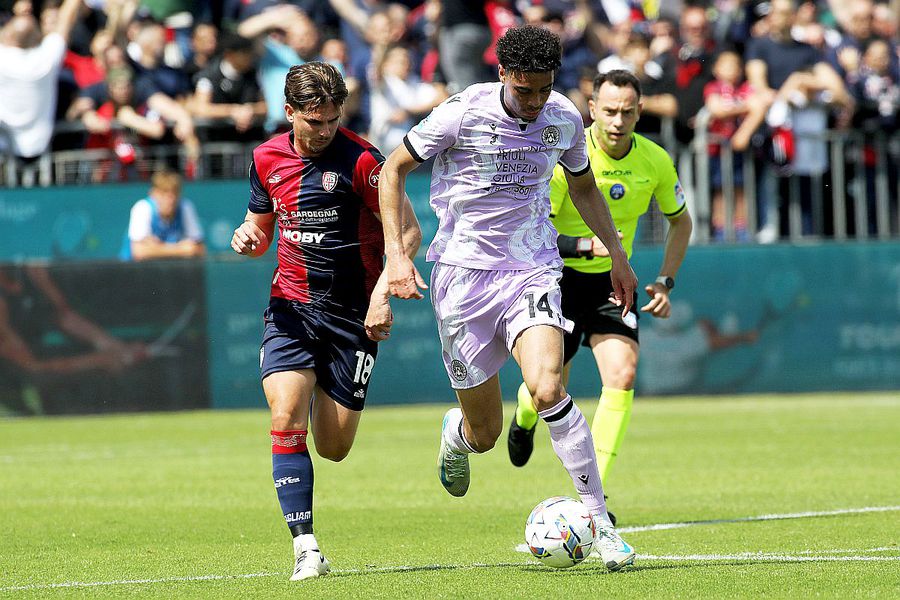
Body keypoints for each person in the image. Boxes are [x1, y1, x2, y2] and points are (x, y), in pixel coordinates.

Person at [379, 25, 638, 572]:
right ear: (501, 74)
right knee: (487, 433)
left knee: (547, 388)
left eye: (544, 89)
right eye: (525, 91)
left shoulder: (565, 117)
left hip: (533, 268)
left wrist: (618, 255)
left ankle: (600, 520)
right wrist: (397, 258)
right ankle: (459, 431)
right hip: (461, 279)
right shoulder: (460, 113)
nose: (535, 102)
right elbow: (392, 170)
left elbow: (584, 185)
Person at [229, 62, 422, 581]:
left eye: (333, 119)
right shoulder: (264, 157)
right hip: (290, 308)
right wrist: (247, 236)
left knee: (333, 448)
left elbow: (408, 233)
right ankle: (306, 547)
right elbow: (261, 225)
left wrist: (383, 295)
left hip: (352, 316)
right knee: (285, 412)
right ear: (290, 112)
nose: (325, 130)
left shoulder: (362, 160)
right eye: (315, 121)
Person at [506, 70, 693, 521]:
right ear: (592, 110)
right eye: (609, 110)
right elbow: (538, 225)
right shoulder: (568, 154)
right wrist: (585, 245)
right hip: (558, 279)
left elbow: (681, 222)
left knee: (622, 375)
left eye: (628, 112)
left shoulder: (655, 160)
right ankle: (525, 415)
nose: (618, 120)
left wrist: (665, 280)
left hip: (613, 283)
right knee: (548, 386)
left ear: (639, 112)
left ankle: (596, 500)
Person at [122, 170, 206, 261]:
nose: (170, 200)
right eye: (164, 193)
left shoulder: (185, 207)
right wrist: (181, 248)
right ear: (153, 194)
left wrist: (156, 247)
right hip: (133, 272)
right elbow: (139, 252)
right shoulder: (142, 208)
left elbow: (199, 249)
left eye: (174, 193)